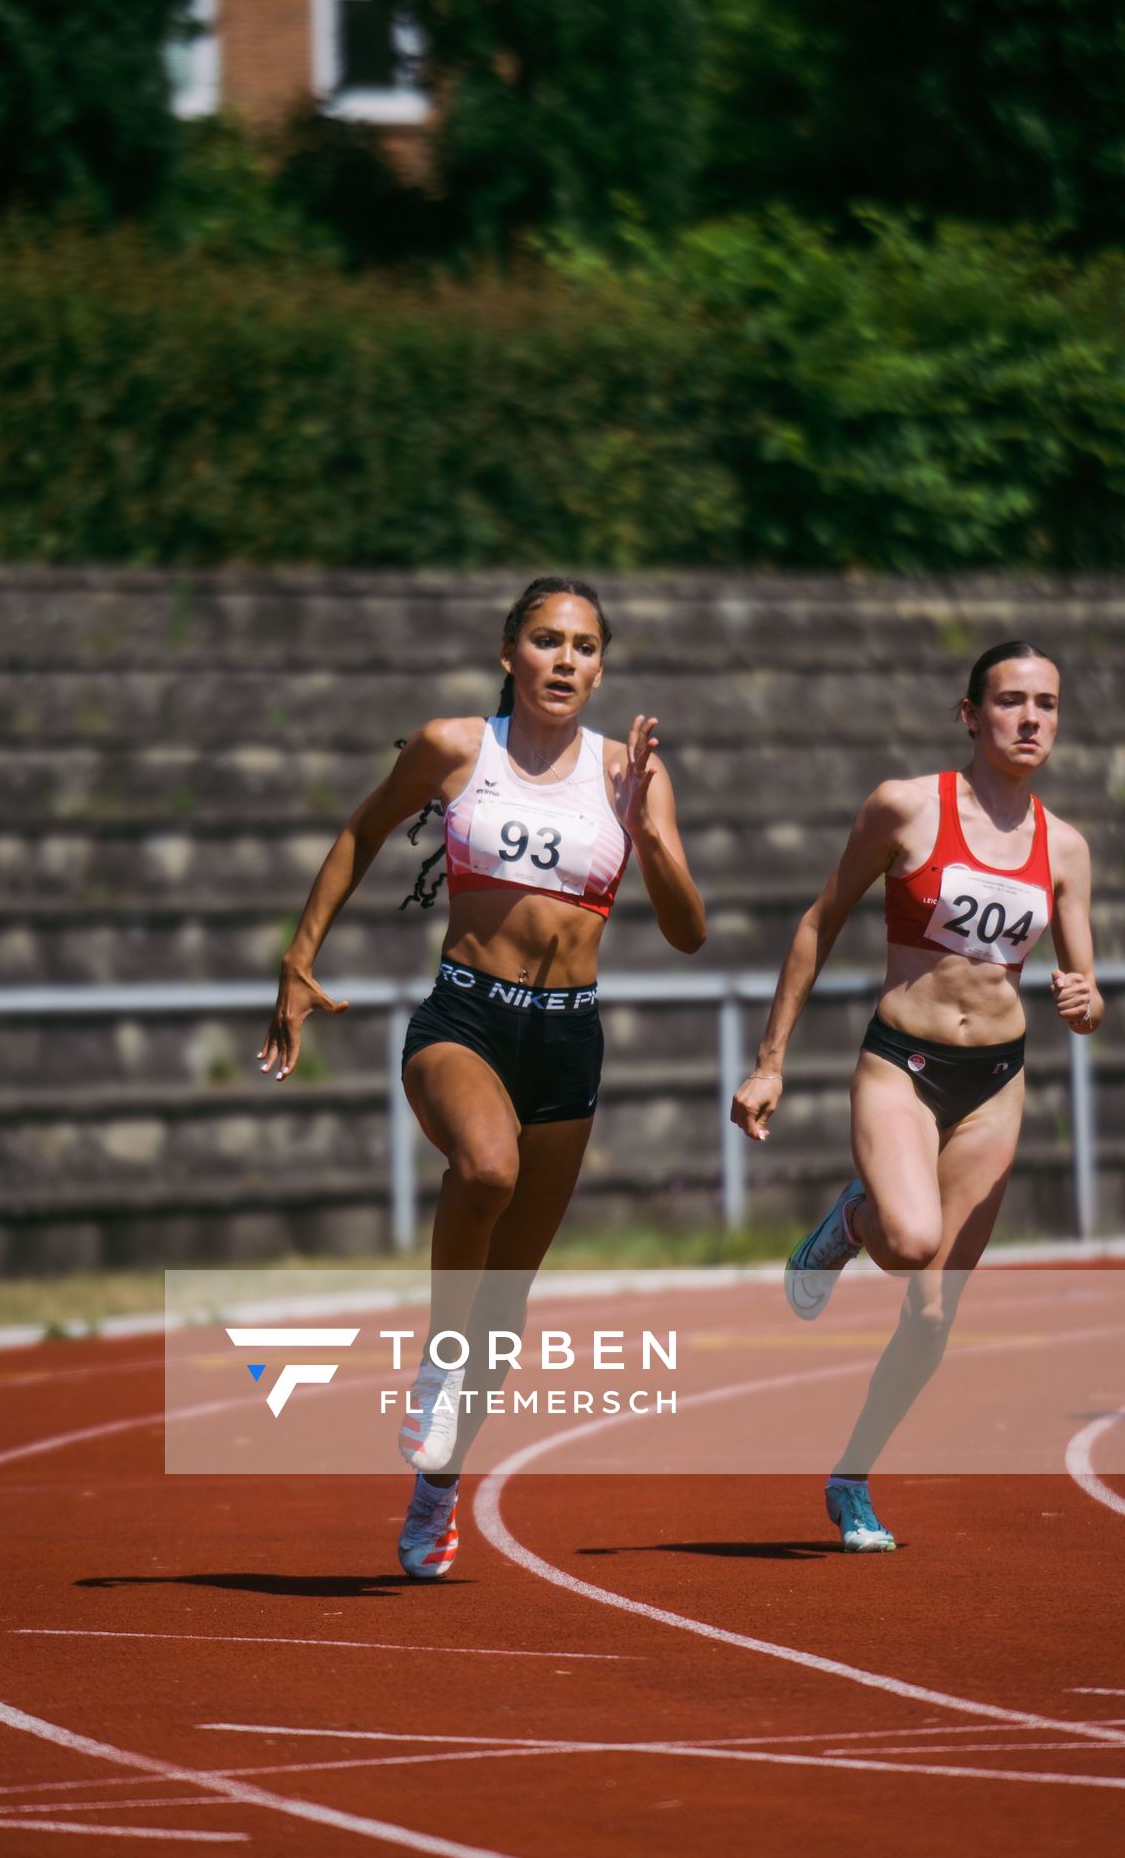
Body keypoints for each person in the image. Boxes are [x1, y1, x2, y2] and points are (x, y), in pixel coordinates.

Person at [261, 577, 706, 1577]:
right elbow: (363, 831)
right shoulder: (456, 747)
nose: (564, 661)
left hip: (566, 1040)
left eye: (584, 646)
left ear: (600, 664)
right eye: (545, 640)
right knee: (486, 1171)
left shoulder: (626, 773)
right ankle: (432, 1367)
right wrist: (298, 961)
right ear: (508, 650)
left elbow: (686, 931)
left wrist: (644, 828)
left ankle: (434, 1492)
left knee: (507, 1301)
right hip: (463, 1016)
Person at [730, 641, 1102, 1551]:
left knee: (933, 1316)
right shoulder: (907, 808)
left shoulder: (1065, 847)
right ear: (969, 714)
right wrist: (770, 1060)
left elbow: (1081, 992)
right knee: (908, 1240)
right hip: (904, 1063)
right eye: (1010, 702)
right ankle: (852, 1224)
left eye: (1045, 705)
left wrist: (1084, 1003)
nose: (1029, 720)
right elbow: (820, 921)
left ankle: (851, 1478)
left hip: (995, 1085)